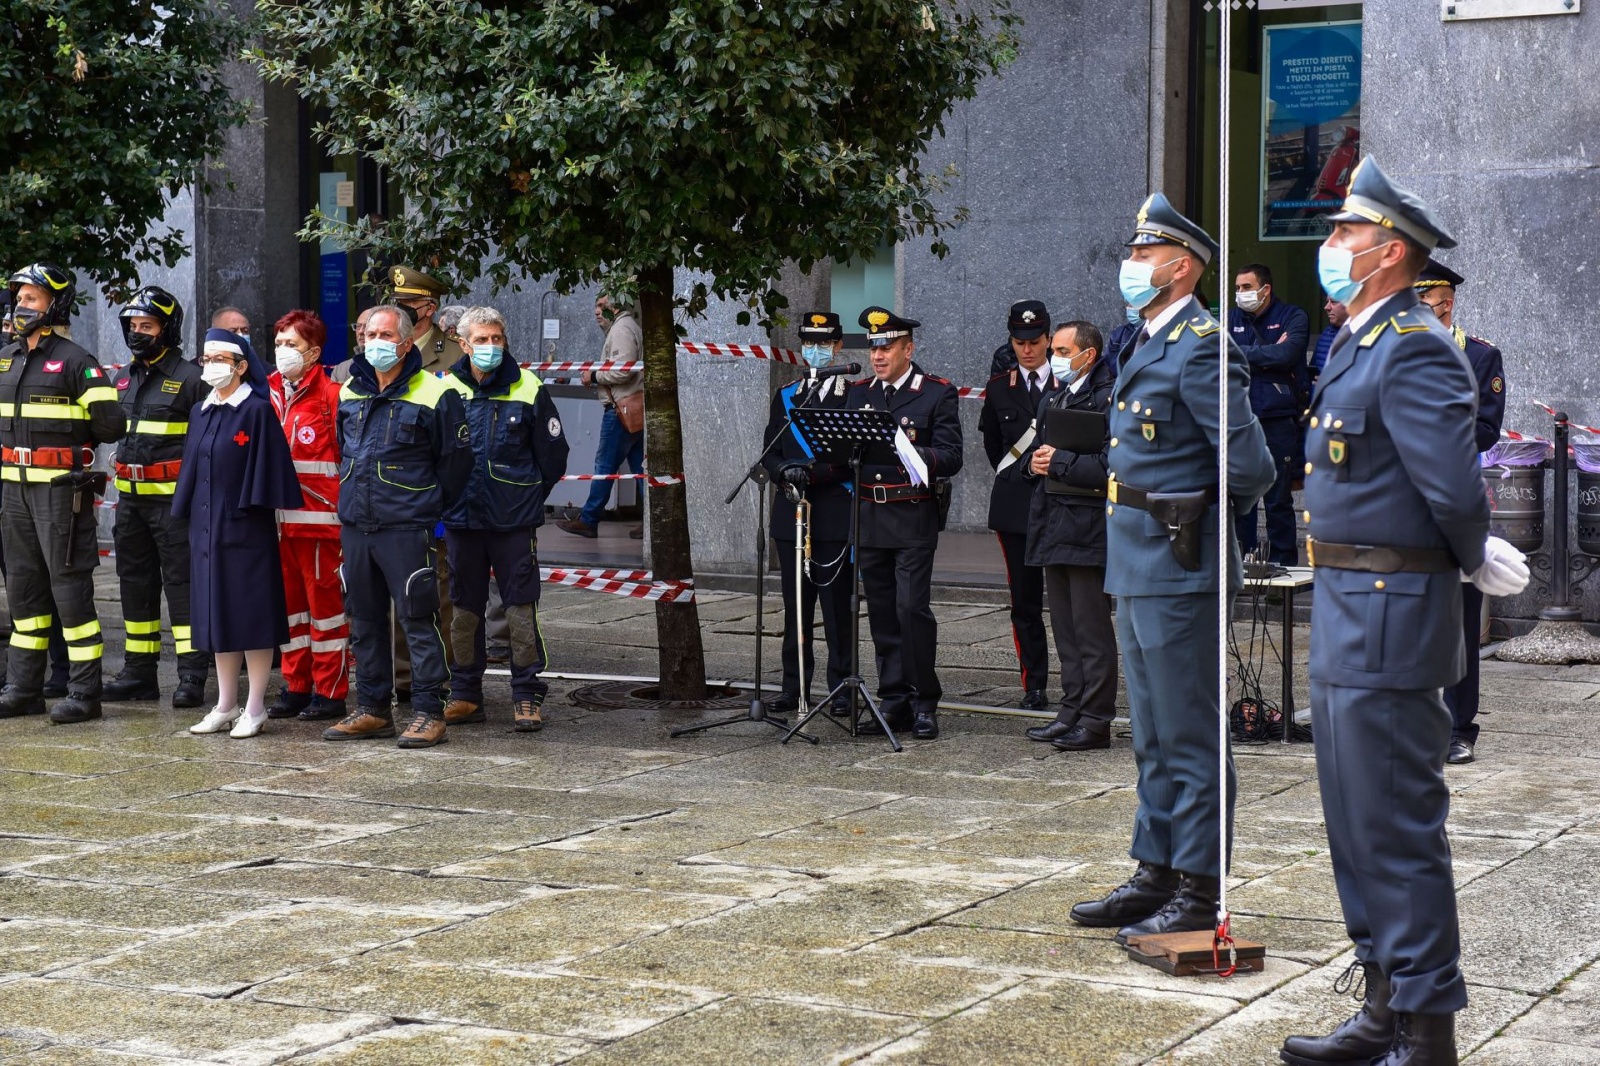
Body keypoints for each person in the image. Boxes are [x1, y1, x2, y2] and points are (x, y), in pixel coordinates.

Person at [1279, 157, 1527, 1066]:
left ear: (1387, 252)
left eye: (1344, 233)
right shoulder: (1357, 338)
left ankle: (1426, 1030)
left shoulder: (1417, 342)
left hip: (1391, 607)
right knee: (1353, 819)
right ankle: (1382, 1000)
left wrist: (1473, 555)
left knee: (1397, 822)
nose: (1330, 245)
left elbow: (1450, 484)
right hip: (1347, 602)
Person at [1068, 195, 1274, 942]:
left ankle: (1200, 884)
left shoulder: (1202, 345)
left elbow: (1249, 466)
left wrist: (1194, 509)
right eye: (1132, 252)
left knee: (1189, 731)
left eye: (1144, 254)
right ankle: (1156, 868)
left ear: (1182, 267)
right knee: (1152, 730)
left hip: (1181, 562)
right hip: (1135, 560)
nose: (1131, 265)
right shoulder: (1143, 339)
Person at [323, 304, 471, 748]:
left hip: (407, 527)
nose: (374, 342)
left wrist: (425, 508)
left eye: (385, 335)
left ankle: (429, 710)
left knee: (417, 619)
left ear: (406, 343)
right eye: (368, 333)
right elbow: (341, 448)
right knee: (363, 620)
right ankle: (372, 708)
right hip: (357, 524)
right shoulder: (350, 390)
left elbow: (456, 464)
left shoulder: (435, 392)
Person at [0, 264, 126, 724]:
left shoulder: (77, 361)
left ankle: (83, 692)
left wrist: (73, 447)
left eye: (31, 299)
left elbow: (111, 424)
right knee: (24, 590)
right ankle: (23, 688)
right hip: (14, 491)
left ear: (54, 304)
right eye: (19, 297)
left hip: (59, 493)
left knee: (69, 590)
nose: (21, 306)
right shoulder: (6, 358)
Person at [440, 306, 568, 731]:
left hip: (513, 521)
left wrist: (527, 497)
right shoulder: (443, 388)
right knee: (464, 609)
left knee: (519, 608)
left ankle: (527, 694)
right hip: (461, 519)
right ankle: (464, 693)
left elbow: (553, 457)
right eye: (481, 340)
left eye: (497, 339)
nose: (491, 347)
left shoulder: (527, 387)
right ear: (463, 343)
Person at [172, 329, 303, 738]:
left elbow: (269, 471)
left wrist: (246, 509)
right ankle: (225, 703)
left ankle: (255, 705)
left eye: (218, 359)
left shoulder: (257, 411)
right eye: (205, 357)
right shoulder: (202, 411)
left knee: (251, 617)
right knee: (217, 616)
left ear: (241, 366)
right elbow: (194, 469)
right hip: (206, 529)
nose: (208, 365)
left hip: (245, 528)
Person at [844, 306, 963, 739]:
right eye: (874, 346)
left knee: (910, 609)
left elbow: (952, 456)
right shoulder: (858, 394)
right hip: (870, 515)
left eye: (887, 347)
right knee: (880, 612)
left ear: (908, 349)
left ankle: (924, 700)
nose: (878, 355)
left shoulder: (935, 393)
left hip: (912, 514)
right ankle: (893, 700)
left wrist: (918, 456)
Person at [1414, 259, 1506, 767]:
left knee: (1461, 617)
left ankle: (1458, 727)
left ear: (1448, 303)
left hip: (1455, 496)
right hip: (1404, 499)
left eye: (1431, 304)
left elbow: (1487, 428)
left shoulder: (1480, 356)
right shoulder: (1395, 352)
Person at [101, 287, 210, 709]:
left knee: (182, 589)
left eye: (146, 326)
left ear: (168, 329)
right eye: (132, 326)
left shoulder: (190, 378)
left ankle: (191, 675)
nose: (137, 333)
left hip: (174, 508)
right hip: (130, 505)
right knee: (135, 588)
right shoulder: (122, 378)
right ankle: (138, 673)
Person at [1022, 321, 1117, 750]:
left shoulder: (1108, 397)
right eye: (1054, 350)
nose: (1054, 357)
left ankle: (1096, 719)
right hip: (1055, 524)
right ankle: (1071, 710)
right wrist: (1036, 465)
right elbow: (1035, 456)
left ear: (1088, 354)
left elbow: (1109, 468)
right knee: (1065, 627)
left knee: (1091, 630)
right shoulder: (1055, 397)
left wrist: (1058, 462)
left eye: (1062, 350)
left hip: (1090, 527)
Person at [761, 311, 855, 718]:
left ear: (837, 346)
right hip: (792, 515)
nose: (816, 350)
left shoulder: (852, 394)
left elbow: (852, 455)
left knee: (836, 611)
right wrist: (783, 470)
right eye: (809, 343)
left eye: (825, 343)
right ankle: (793, 686)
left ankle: (842, 688)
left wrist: (812, 472)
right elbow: (771, 452)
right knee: (796, 608)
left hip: (832, 514)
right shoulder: (787, 396)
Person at [266, 310, 350, 723]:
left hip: (320, 525)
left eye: (291, 345)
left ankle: (331, 692)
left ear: (314, 352)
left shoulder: (331, 397)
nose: (282, 352)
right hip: (277, 525)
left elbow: (342, 460)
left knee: (326, 612)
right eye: (279, 343)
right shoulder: (265, 393)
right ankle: (296, 686)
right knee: (290, 613)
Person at [978, 299, 1053, 711]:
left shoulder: (1065, 382)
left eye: (1035, 340)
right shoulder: (997, 387)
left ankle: (1079, 681)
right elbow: (993, 445)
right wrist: (1016, 473)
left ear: (1048, 338)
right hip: (1015, 506)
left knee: (1068, 600)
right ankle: (1035, 683)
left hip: (1063, 502)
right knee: (1024, 602)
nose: (1027, 349)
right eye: (1019, 341)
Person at [1230, 264, 1310, 566]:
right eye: (1237, 288)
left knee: (1278, 501)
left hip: (1279, 420)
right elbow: (1217, 354)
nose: (1241, 294)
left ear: (1266, 289)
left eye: (1247, 287)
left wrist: (1241, 352)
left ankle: (1285, 571)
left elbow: (1287, 354)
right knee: (1242, 501)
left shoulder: (1293, 316)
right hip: (1240, 420)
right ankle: (1242, 569)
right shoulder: (1231, 318)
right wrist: (1264, 355)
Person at [557, 293, 644, 539]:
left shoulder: (621, 330)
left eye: (601, 306)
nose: (596, 311)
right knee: (639, 467)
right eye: (595, 305)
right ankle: (651, 522)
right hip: (630, 408)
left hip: (620, 410)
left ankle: (589, 519)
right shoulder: (627, 327)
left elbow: (622, 370)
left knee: (604, 465)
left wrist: (593, 376)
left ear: (616, 306)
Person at [388, 266, 464, 373]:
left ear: (430, 308)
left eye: (410, 301)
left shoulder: (457, 352)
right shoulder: (388, 347)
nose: (401, 308)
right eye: (399, 301)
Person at [1309, 295, 1348, 386]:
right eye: (1327, 302)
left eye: (1333, 302)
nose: (1327, 307)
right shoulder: (1326, 334)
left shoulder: (1364, 335)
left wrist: (1335, 384)